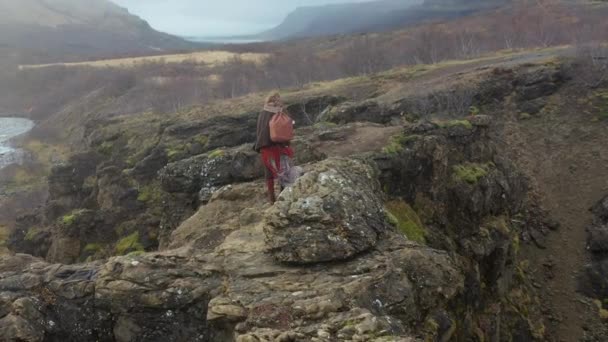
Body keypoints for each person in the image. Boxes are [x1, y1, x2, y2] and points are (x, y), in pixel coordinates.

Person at [254, 93, 294, 204]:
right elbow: (285, 132)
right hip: (276, 147)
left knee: (269, 174)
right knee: (284, 173)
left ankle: (272, 199)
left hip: (263, 146)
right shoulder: (280, 112)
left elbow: (259, 130)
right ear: (278, 101)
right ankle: (284, 198)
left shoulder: (262, 112)